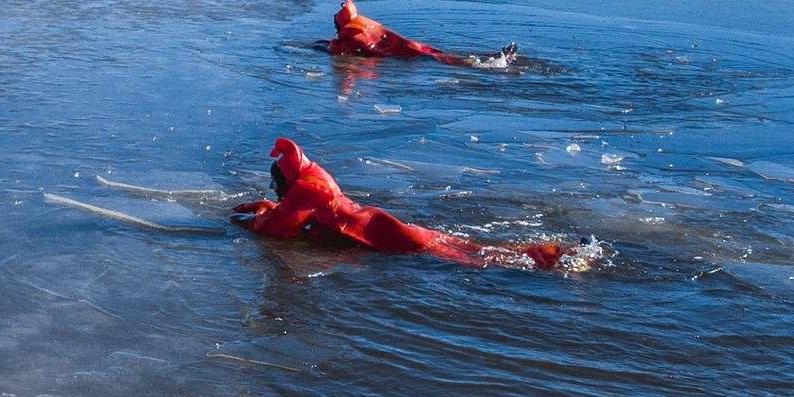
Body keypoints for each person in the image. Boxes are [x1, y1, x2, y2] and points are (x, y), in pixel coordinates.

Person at [230, 137, 567, 268]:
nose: (275, 190)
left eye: (276, 183)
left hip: (394, 239)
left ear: (287, 177)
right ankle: (557, 251)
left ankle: (558, 260)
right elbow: (294, 215)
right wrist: (271, 205)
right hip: (395, 229)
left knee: (485, 260)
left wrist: (257, 215)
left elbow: (272, 230)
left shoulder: (303, 194)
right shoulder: (314, 179)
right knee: (478, 250)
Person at [326, 0, 517, 68]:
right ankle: (493, 57)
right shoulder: (363, 22)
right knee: (442, 55)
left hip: (402, 53)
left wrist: (323, 46)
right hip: (410, 44)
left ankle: (495, 63)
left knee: (445, 61)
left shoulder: (350, 31)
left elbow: (340, 50)